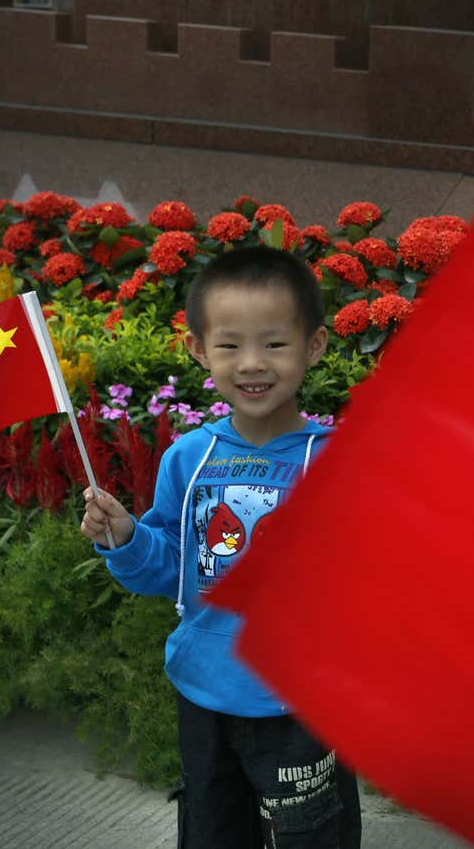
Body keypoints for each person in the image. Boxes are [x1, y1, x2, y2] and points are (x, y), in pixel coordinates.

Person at [80, 247, 360, 848]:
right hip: (204, 693)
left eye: (275, 344)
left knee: (312, 838)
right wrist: (125, 538)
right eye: (230, 345)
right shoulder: (189, 457)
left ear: (314, 346)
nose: (253, 363)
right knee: (211, 834)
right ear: (198, 350)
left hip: (302, 708)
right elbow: (168, 570)